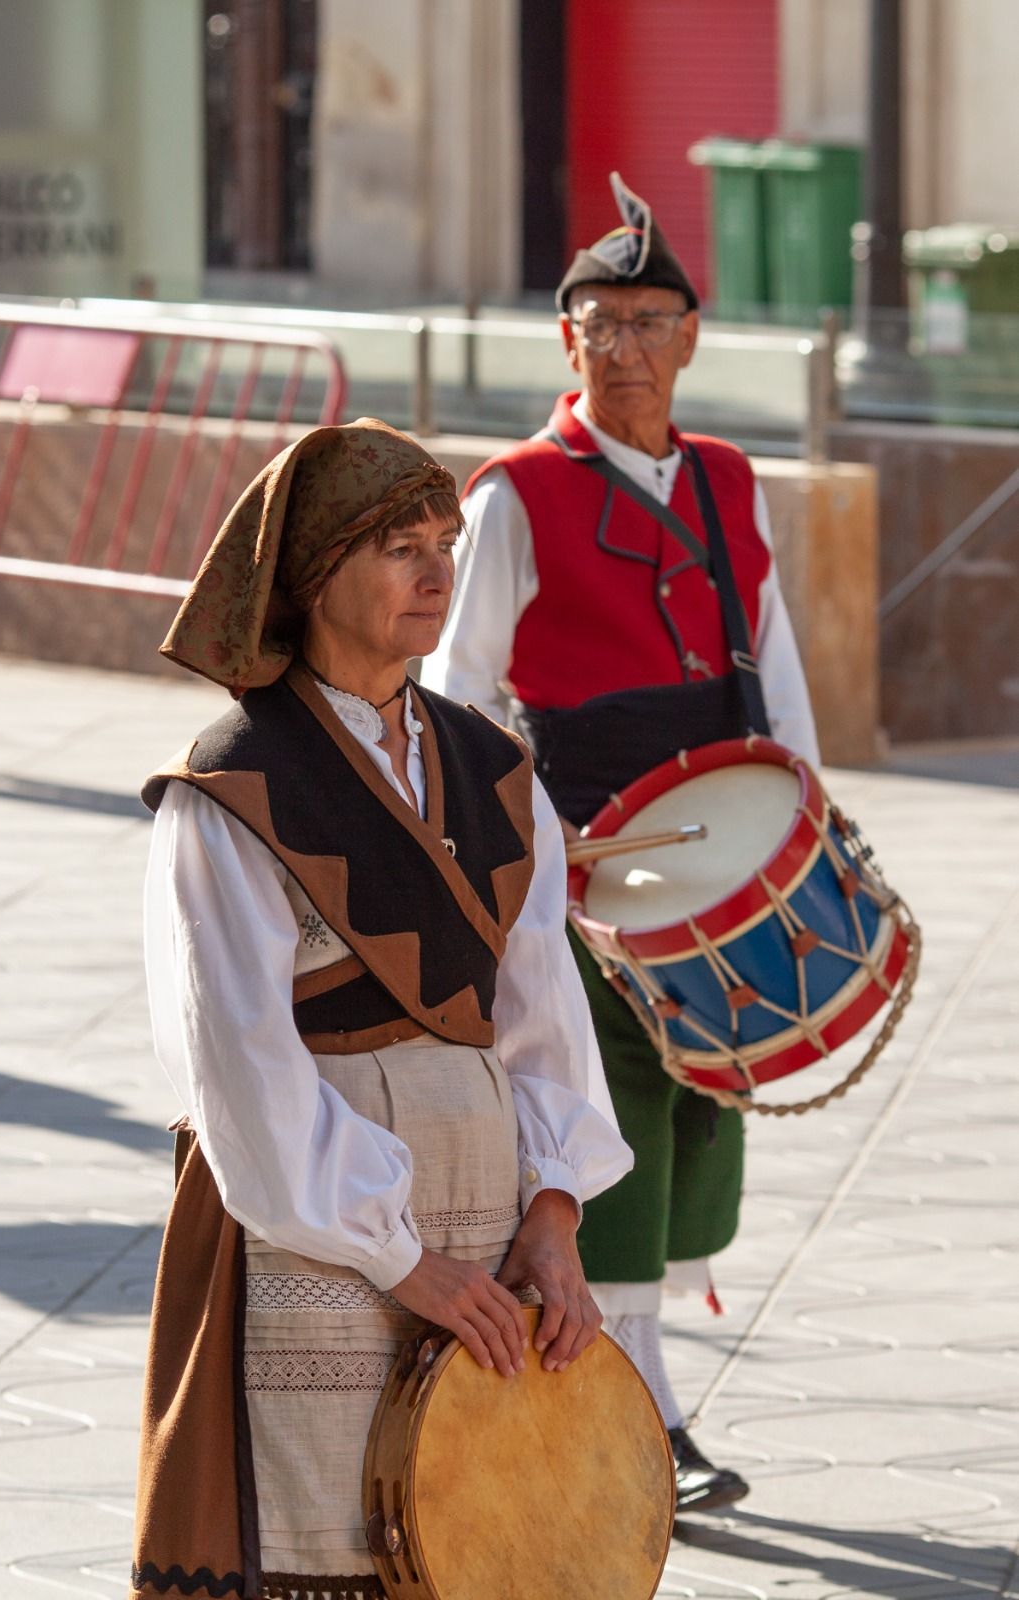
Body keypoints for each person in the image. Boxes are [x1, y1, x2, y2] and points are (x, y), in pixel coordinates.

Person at [129, 420, 633, 1600]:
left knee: (479, 1539)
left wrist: (553, 1213)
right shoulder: (232, 788)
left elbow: (543, 1011)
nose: (435, 572)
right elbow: (236, 1066)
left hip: (492, 1222)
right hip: (318, 1232)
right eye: (397, 546)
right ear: (311, 579)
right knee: (329, 1541)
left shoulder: (497, 768)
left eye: (444, 543)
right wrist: (398, 1256)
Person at [421, 172, 820, 1513]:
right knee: (621, 1118)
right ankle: (642, 1416)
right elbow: (461, 693)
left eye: (655, 319)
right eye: (606, 319)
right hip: (590, 864)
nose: (631, 343)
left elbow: (769, 654)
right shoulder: (514, 495)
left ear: (692, 339)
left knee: (710, 1104)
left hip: (723, 857)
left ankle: (630, 1388)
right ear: (566, 338)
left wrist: (806, 818)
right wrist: (532, 841)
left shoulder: (724, 478)